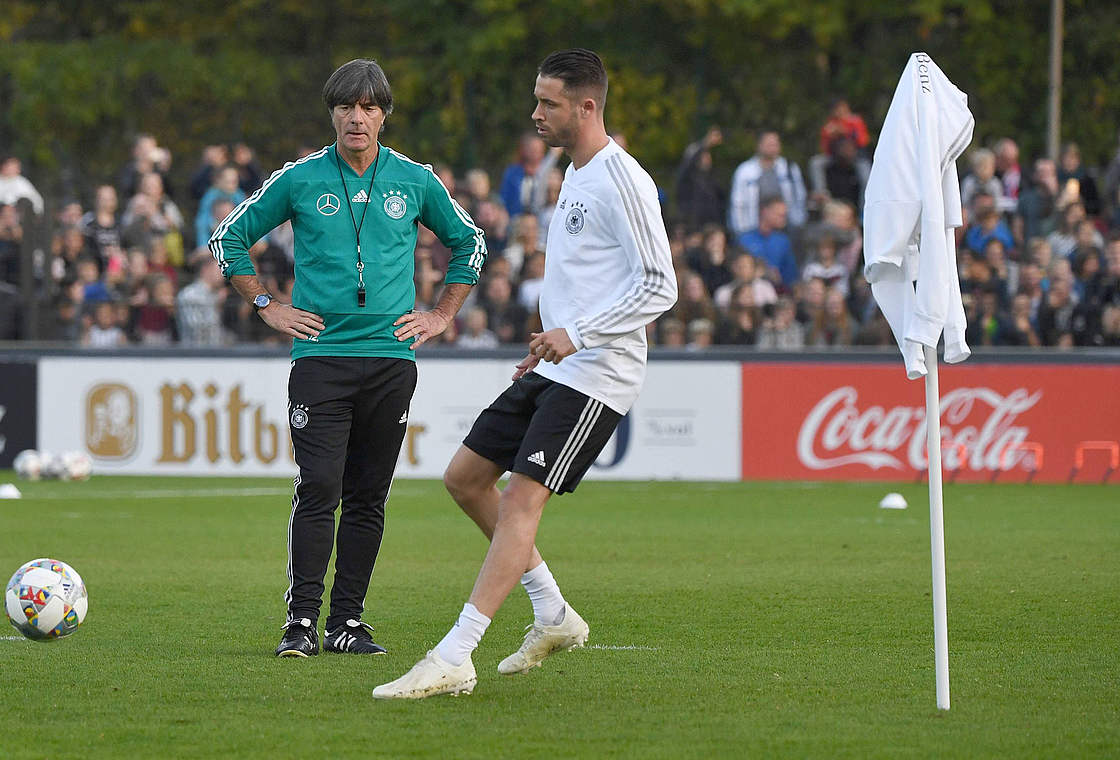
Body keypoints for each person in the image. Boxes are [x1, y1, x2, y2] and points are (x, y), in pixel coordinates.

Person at [374, 48, 676, 700]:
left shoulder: (622, 179)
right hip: (561, 363)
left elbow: (660, 284)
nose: (535, 113)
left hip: (600, 374)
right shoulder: (572, 171)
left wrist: (578, 334)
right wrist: (551, 341)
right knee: (464, 479)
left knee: (519, 502)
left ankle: (456, 654)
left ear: (587, 107)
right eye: (536, 99)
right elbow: (593, 277)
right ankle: (554, 615)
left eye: (549, 103)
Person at [208, 58, 486, 658]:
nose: (356, 118)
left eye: (367, 108)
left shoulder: (415, 180)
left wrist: (441, 315)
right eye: (345, 107)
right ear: (332, 113)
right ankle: (301, 622)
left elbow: (471, 243)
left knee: (368, 495)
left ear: (383, 115)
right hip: (321, 358)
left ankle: (348, 623)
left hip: (391, 359)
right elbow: (227, 236)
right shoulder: (299, 178)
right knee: (320, 486)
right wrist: (265, 303)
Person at [729, 130, 806, 235]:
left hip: (787, 228)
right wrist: (741, 231)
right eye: (769, 144)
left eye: (775, 144)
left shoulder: (789, 168)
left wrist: (799, 221)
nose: (773, 148)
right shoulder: (744, 171)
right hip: (755, 228)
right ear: (759, 146)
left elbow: (800, 196)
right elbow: (738, 203)